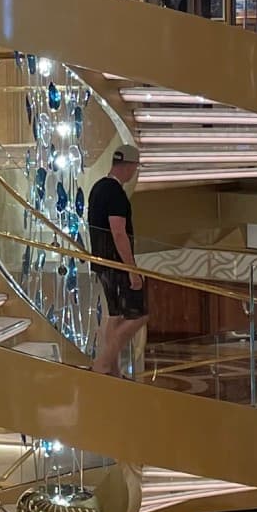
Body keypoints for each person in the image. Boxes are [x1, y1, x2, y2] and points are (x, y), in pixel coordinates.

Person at [89, 147, 148, 378]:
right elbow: (119, 232)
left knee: (116, 316)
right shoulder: (115, 193)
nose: (135, 172)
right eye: (135, 167)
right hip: (116, 264)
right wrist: (131, 269)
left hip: (102, 262)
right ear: (129, 166)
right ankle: (102, 363)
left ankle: (111, 370)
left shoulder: (98, 188)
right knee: (139, 314)